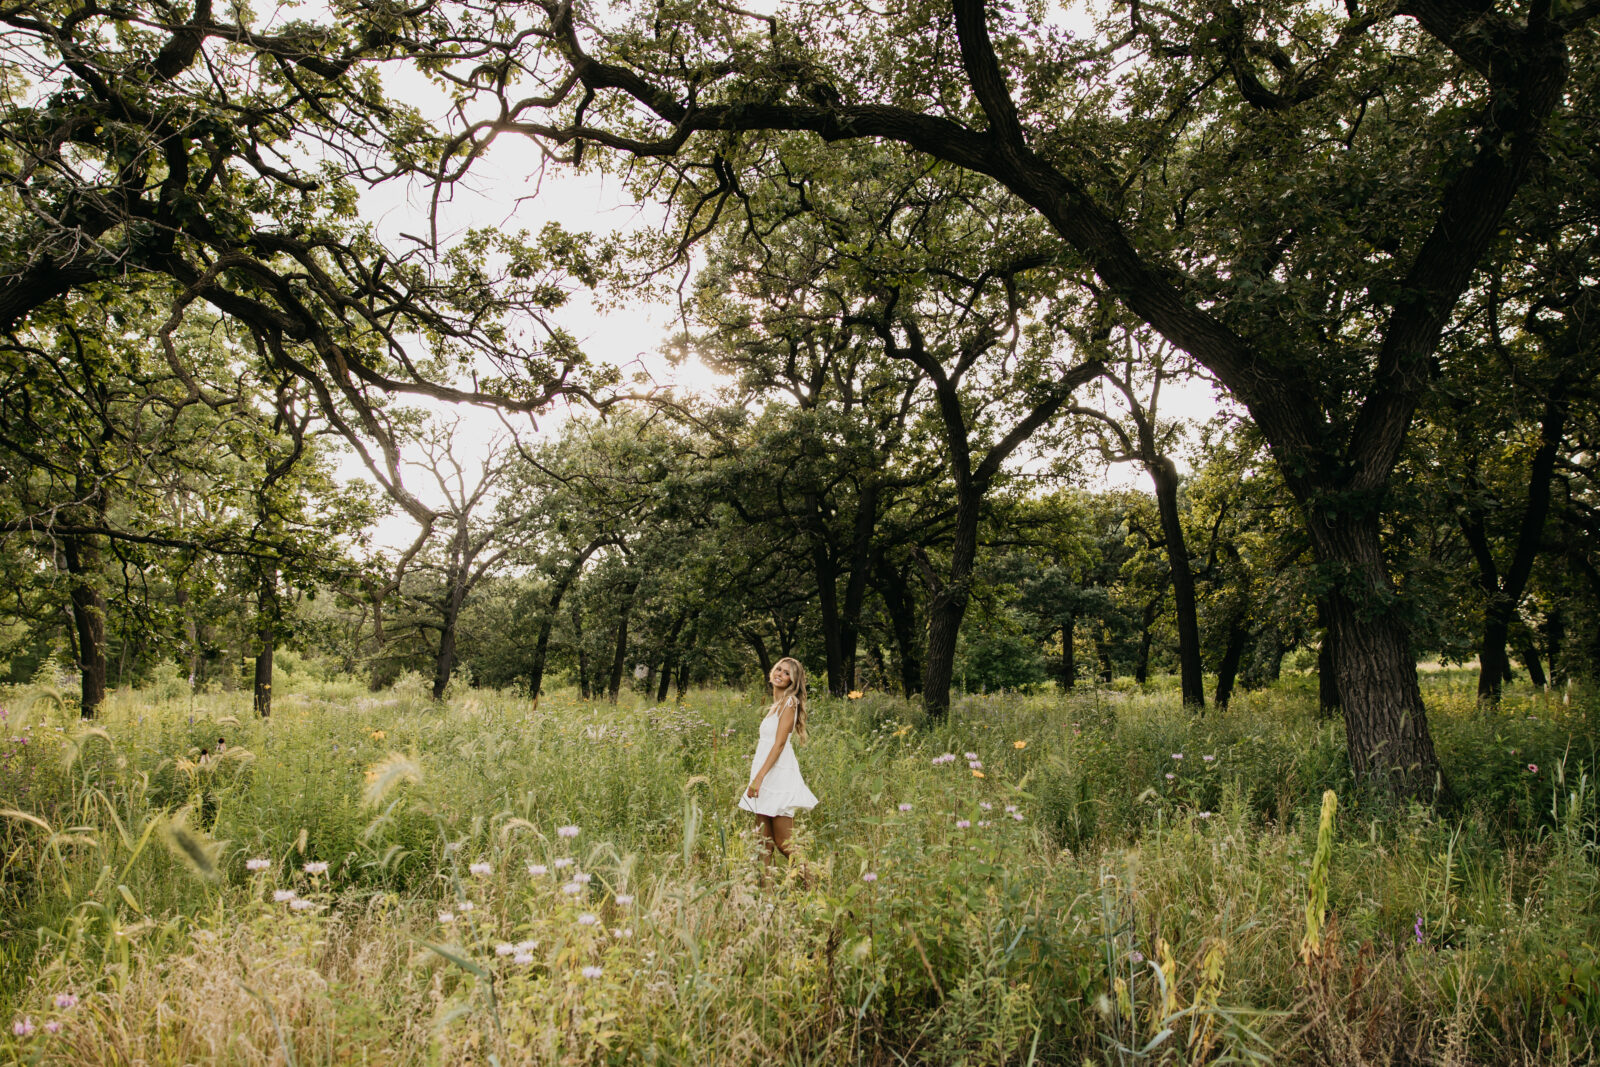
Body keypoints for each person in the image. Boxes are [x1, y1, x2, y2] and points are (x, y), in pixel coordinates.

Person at [738, 657, 818, 874]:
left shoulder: (789, 703)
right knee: (762, 840)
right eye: (779, 669)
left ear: (793, 681)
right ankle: (767, 897)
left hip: (776, 776)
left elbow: (780, 744)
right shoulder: (775, 705)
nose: (780, 674)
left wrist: (759, 778)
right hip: (764, 773)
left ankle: (812, 887)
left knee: (784, 842)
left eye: (786, 673)